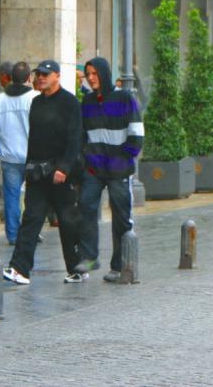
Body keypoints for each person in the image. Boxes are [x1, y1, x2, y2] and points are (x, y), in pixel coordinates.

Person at [3, 60, 84, 286]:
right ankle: (19, 268)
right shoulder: (36, 102)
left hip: (61, 174)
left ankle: (77, 268)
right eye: (38, 74)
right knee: (31, 219)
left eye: (46, 74)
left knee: (67, 223)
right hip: (37, 173)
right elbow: (34, 139)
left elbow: (75, 138)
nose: (40, 78)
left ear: (57, 76)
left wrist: (64, 168)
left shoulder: (70, 102)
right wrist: (28, 167)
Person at [74, 58, 143, 282]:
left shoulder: (125, 98)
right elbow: (82, 134)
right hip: (94, 167)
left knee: (121, 215)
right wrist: (84, 158)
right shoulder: (88, 101)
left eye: (95, 74)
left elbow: (136, 133)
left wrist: (125, 157)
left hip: (119, 167)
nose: (91, 78)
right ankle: (89, 257)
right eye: (88, 74)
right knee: (86, 205)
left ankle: (120, 265)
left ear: (104, 74)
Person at [0, 61, 38, 245]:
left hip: (10, 158)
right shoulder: (35, 98)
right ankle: (31, 232)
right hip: (33, 156)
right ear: (29, 78)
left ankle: (13, 235)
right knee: (34, 197)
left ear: (11, 78)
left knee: (11, 197)